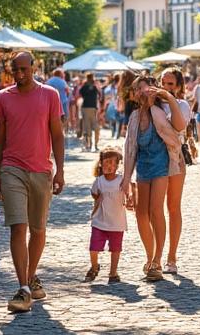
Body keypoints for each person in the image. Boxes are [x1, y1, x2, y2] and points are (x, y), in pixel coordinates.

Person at [0, 52, 66, 314]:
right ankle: (23, 287)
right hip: (12, 168)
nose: (20, 74)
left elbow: (57, 135)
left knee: (38, 229)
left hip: (41, 170)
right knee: (18, 227)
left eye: (24, 69)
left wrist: (60, 170)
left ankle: (32, 274)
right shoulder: (3, 97)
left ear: (33, 68)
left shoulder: (49, 95)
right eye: (16, 70)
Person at [120, 73, 185, 282]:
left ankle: (158, 260)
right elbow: (130, 149)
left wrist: (168, 97)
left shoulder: (159, 112)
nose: (140, 92)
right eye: (137, 88)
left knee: (156, 210)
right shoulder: (135, 117)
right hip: (143, 168)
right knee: (140, 214)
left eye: (144, 87)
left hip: (161, 166)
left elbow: (179, 129)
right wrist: (126, 178)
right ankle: (149, 256)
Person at [159, 66, 193, 273]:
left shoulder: (182, 105)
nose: (165, 87)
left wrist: (169, 99)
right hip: (154, 157)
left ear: (178, 86)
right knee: (154, 208)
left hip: (174, 156)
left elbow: (178, 127)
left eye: (170, 84)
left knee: (173, 206)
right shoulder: (152, 104)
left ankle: (171, 256)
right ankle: (156, 254)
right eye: (163, 83)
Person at [86, 147, 127, 284]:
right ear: (101, 164)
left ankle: (113, 272)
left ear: (117, 165)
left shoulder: (121, 180)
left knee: (116, 248)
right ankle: (94, 266)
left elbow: (129, 192)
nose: (109, 166)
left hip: (117, 222)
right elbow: (94, 194)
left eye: (112, 163)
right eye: (106, 162)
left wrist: (131, 199)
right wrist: (98, 198)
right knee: (94, 247)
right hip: (100, 220)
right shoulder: (99, 181)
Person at [78, 74, 101, 152]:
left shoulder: (94, 87)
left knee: (94, 128)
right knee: (88, 128)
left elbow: (99, 95)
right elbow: (80, 93)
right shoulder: (87, 86)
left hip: (91, 108)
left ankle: (93, 145)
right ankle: (90, 145)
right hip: (87, 108)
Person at [103, 73, 121, 139]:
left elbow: (106, 97)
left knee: (113, 119)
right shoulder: (117, 87)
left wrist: (104, 107)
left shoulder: (109, 88)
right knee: (116, 119)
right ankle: (115, 133)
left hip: (111, 104)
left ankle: (114, 133)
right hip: (115, 104)